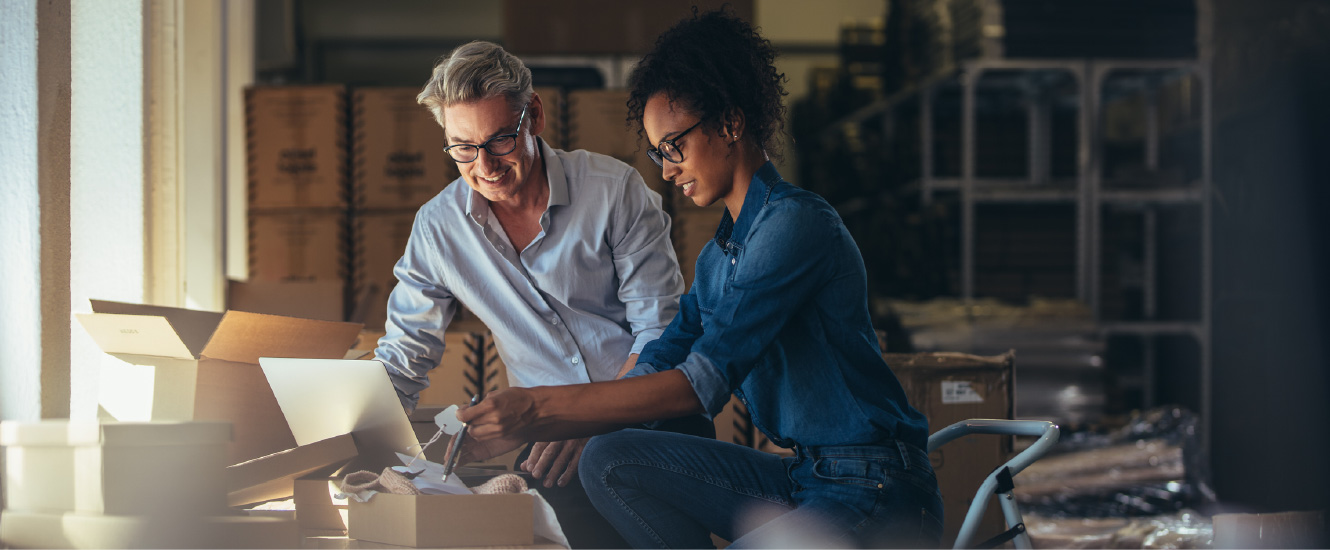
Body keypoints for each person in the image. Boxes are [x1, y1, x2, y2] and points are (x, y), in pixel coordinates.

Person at [449, 10, 945, 549]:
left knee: (613, 442)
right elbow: (662, 356)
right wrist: (571, 424)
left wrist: (537, 410)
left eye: (675, 146)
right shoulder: (719, 256)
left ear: (730, 123)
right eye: (659, 152)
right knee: (609, 457)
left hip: (874, 486)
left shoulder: (795, 225)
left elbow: (701, 384)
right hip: (805, 478)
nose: (666, 169)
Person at [374, 41, 711, 549]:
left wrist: (590, 415)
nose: (483, 165)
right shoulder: (438, 229)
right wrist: (358, 434)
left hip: (654, 422)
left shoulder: (614, 190)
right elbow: (403, 356)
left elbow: (661, 332)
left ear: (533, 116)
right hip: (548, 443)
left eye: (500, 141)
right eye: (462, 147)